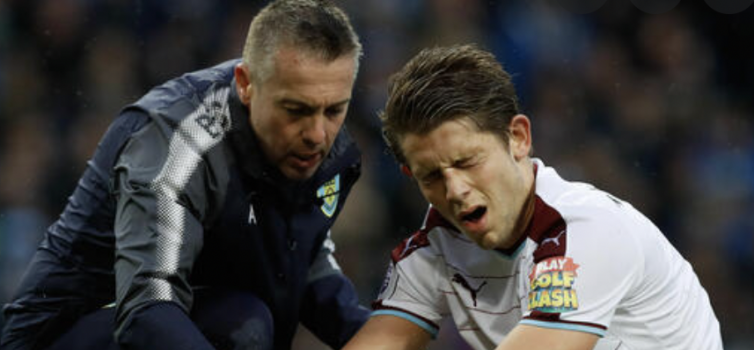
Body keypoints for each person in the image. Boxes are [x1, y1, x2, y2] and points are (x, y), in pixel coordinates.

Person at [1, 1, 369, 349]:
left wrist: (395, 325)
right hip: (64, 334)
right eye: (295, 109)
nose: (318, 135)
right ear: (246, 84)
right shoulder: (179, 142)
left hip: (187, 319)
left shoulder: (310, 147)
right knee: (245, 324)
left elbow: (303, 267)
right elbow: (146, 309)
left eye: (335, 110)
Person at [343, 44, 723, 350]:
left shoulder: (589, 230)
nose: (455, 190)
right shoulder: (429, 254)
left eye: (468, 161)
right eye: (431, 176)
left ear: (518, 138)